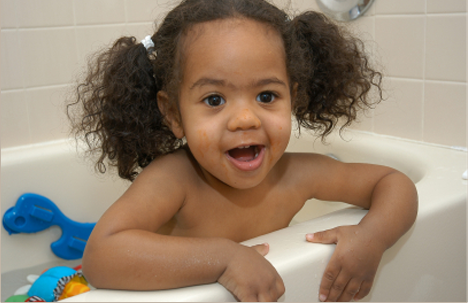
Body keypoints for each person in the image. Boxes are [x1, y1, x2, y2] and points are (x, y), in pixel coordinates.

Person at [67, 0, 418, 301]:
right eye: (214, 100)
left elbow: (393, 182)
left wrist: (373, 236)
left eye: (267, 96)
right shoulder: (175, 180)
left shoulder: (298, 174)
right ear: (174, 114)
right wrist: (222, 258)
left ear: (292, 99)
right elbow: (101, 256)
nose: (245, 119)